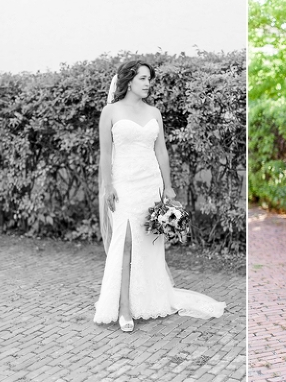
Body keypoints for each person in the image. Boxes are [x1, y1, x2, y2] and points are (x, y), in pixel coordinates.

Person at [93, 60, 225, 331]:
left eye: (149, 78)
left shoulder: (154, 112)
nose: (147, 83)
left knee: (147, 242)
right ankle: (124, 309)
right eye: (142, 78)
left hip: (150, 183)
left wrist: (168, 187)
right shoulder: (110, 112)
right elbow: (105, 153)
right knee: (125, 242)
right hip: (124, 184)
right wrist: (108, 186)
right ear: (129, 80)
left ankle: (147, 300)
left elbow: (161, 151)